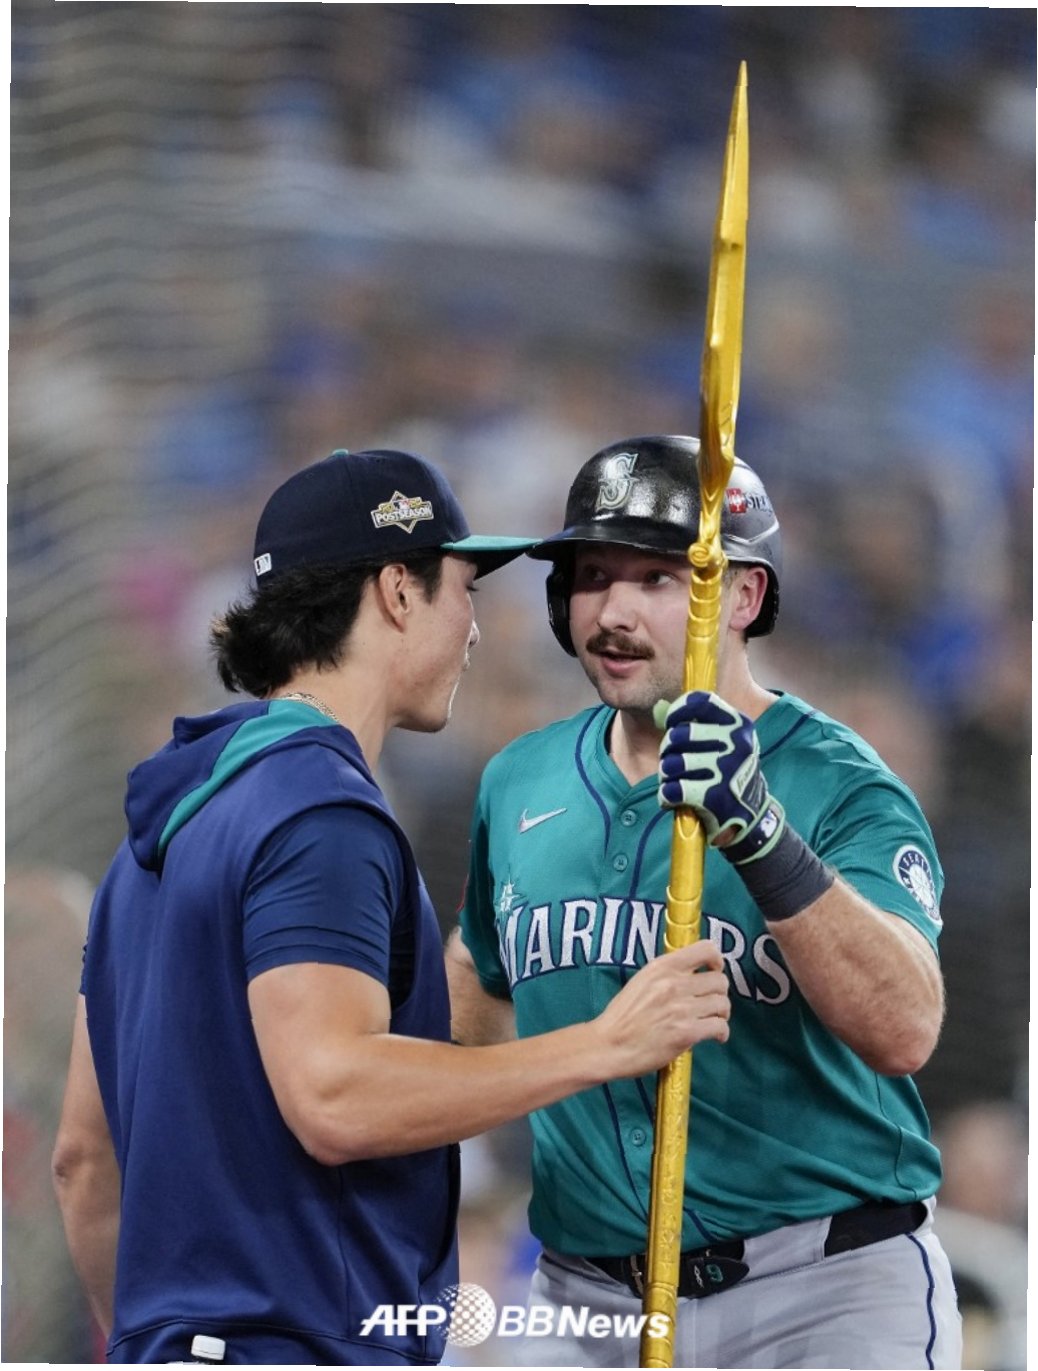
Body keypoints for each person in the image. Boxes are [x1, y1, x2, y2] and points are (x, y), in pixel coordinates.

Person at [51, 447, 733, 1366]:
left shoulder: (157, 832)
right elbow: (335, 1093)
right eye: (464, 590)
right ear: (398, 592)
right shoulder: (319, 810)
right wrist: (605, 1044)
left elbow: (83, 1160)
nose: (475, 629)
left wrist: (155, 1339)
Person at [449, 435, 963, 1369]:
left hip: (824, 1289)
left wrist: (761, 834)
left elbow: (906, 1027)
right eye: (592, 576)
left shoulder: (840, 782)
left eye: (656, 578)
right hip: (587, 1299)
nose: (613, 610)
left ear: (744, 596)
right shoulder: (519, 780)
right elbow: (477, 1002)